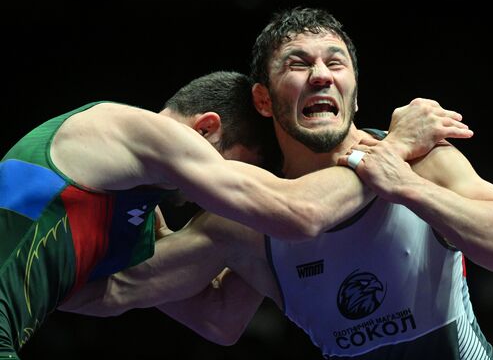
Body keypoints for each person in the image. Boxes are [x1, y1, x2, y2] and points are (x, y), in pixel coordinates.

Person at [59, 7, 493, 359]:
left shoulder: (422, 160)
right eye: (297, 64)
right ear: (264, 100)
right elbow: (207, 316)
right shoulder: (248, 220)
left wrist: (411, 189)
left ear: (354, 91)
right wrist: (126, 239)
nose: (320, 76)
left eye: (335, 63)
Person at [0, 69, 422, 360]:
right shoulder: (131, 127)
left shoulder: (132, 216)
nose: (222, 198)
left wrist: (242, 238)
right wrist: (392, 149)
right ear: (205, 129)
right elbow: (301, 211)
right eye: (240, 171)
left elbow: (218, 318)